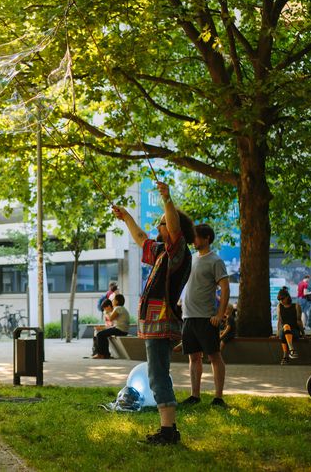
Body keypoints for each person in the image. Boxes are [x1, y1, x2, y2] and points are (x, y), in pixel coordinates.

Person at [112, 181, 193, 445]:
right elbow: (139, 238)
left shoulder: (178, 251)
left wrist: (167, 200)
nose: (159, 226)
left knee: (157, 375)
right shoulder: (159, 252)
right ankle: (169, 429)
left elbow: (174, 227)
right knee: (157, 373)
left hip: (162, 324)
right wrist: (126, 217)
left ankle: (168, 431)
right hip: (153, 325)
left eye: (162, 223)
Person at [180, 223, 230, 408]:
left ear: (206, 237)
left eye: (196, 237)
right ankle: (195, 395)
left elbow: (225, 288)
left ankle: (218, 397)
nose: (193, 240)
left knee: (214, 357)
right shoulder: (191, 258)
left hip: (206, 318)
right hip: (188, 317)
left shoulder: (215, 261)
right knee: (193, 358)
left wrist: (220, 314)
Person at [91, 294, 130, 359]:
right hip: (120, 329)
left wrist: (106, 312)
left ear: (117, 301)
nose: (112, 301)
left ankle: (101, 354)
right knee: (103, 335)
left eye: (114, 300)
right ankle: (106, 354)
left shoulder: (118, 308)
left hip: (120, 330)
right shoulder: (120, 308)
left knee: (100, 334)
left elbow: (110, 318)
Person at [276, 287, 304, 364]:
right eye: (279, 300)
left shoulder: (296, 306)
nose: (281, 301)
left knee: (285, 328)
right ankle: (292, 350)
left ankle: (285, 357)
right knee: (284, 329)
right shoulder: (279, 306)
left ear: (287, 297)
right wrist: (277, 333)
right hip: (284, 331)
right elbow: (279, 321)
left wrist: (303, 333)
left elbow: (299, 321)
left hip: (294, 331)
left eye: (282, 299)